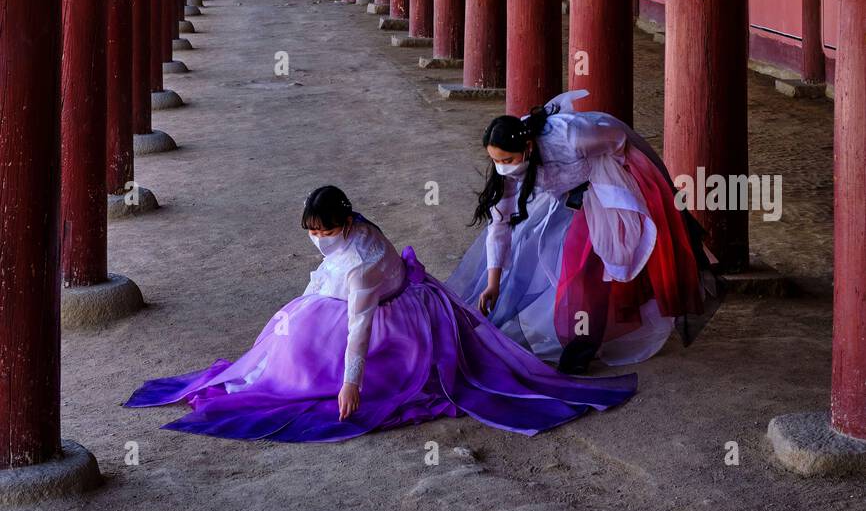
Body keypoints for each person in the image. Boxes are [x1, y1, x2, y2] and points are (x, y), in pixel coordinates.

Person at [125, 185, 635, 443]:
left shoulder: (361, 265)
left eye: (324, 230)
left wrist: (351, 384)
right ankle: (264, 370)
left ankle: (279, 378)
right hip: (354, 297)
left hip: (394, 321)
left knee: (301, 354)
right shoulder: (349, 231)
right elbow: (323, 273)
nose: (317, 238)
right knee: (287, 330)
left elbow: (358, 328)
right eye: (311, 230)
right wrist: (303, 298)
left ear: (344, 223)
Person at [447, 90, 714, 371]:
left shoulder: (572, 137)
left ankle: (582, 348)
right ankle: (584, 338)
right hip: (576, 195)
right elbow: (499, 225)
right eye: (496, 162)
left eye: (507, 161)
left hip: (610, 186)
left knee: (592, 266)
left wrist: (606, 188)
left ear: (528, 146)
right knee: (567, 259)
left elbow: (619, 140)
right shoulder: (511, 166)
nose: (503, 169)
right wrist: (493, 282)